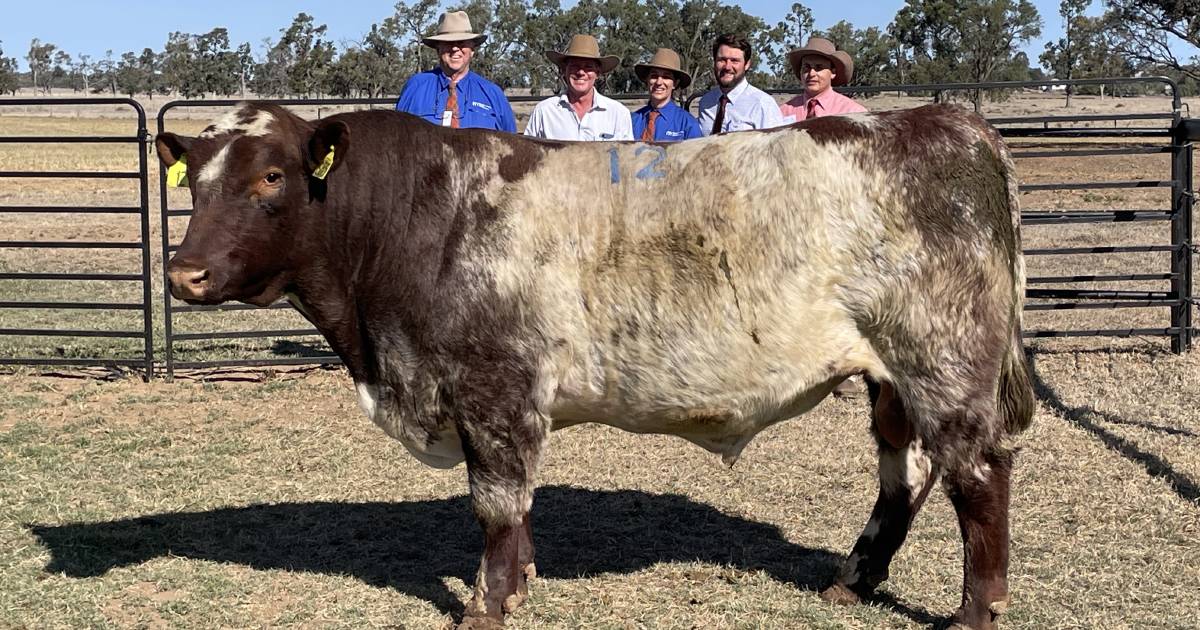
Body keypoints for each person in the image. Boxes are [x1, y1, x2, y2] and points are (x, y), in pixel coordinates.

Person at [396, 11, 516, 132]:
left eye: (461, 42)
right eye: (448, 43)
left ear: (472, 50)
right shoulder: (415, 87)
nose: (454, 48)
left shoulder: (492, 93)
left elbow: (511, 144)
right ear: (438, 49)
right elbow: (397, 136)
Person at [524, 34, 633, 141]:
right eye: (574, 66)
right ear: (564, 70)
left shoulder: (619, 114)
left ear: (597, 72)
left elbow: (627, 157)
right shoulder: (544, 112)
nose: (581, 72)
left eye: (588, 67)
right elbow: (528, 154)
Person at [696, 34, 786, 136]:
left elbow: (774, 147)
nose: (727, 66)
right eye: (722, 60)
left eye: (734, 61)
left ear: (747, 64)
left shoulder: (762, 104)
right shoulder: (706, 102)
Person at [779, 37, 866, 121]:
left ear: (833, 73)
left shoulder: (852, 113)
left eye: (819, 67)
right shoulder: (784, 112)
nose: (811, 73)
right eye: (806, 67)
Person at [631, 48, 703, 142]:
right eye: (654, 76)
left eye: (666, 77)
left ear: (675, 84)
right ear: (647, 80)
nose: (659, 82)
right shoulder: (632, 120)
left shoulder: (687, 123)